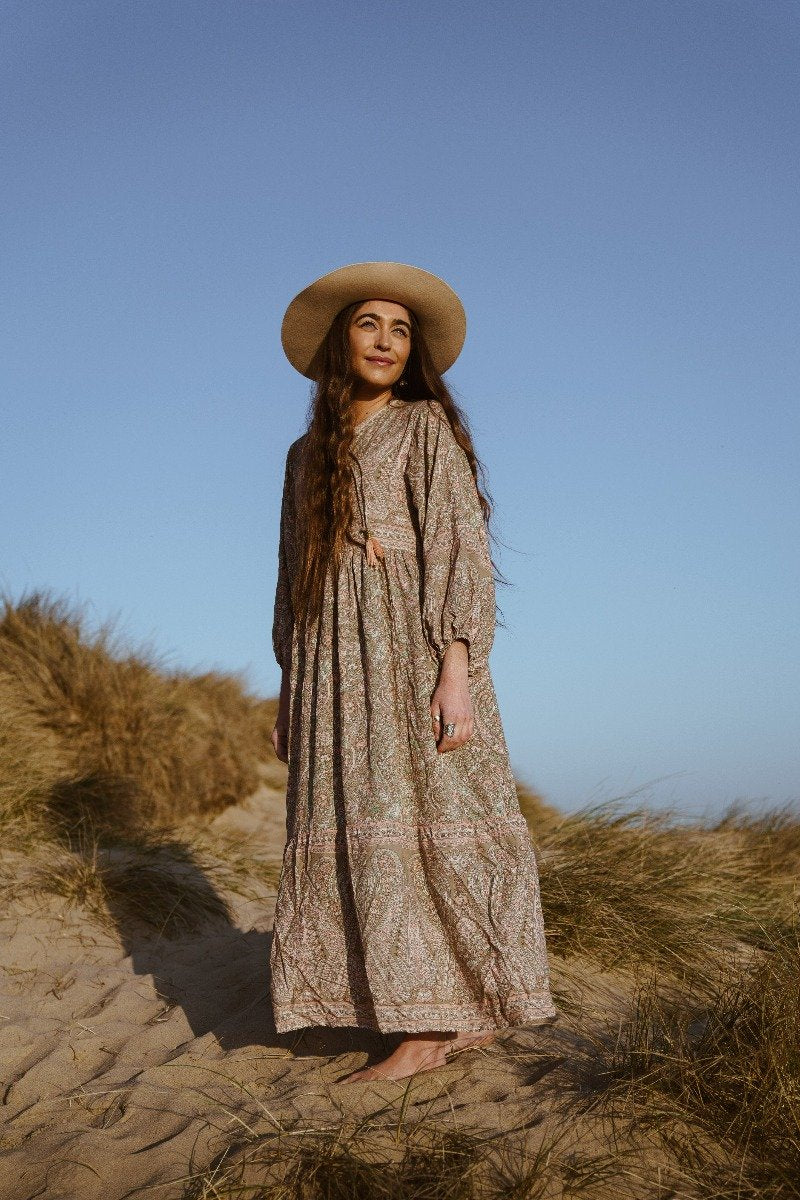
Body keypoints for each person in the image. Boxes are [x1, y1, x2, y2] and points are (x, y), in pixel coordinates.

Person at [269, 261, 556, 1083]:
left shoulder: (425, 427)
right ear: (341, 341)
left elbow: (460, 546)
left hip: (411, 652)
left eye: (400, 330)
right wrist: (290, 686)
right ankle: (412, 1009)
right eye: (369, 324)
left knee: (435, 815)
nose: (386, 341)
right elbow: (291, 574)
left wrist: (455, 667)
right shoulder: (303, 456)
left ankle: (433, 1027)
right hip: (329, 666)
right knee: (361, 825)